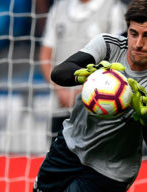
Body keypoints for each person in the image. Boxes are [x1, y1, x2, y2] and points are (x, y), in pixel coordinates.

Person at [30, 0, 147, 192]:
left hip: (109, 169)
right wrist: (87, 74)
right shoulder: (108, 44)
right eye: (133, 33)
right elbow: (59, 73)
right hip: (69, 147)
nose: (138, 43)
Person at [39, 0, 127, 142]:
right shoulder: (59, 8)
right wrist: (59, 89)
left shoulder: (113, 8)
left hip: (99, 105)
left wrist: (80, 93)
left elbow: (117, 58)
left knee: (93, 160)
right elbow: (45, 55)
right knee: (57, 158)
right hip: (61, 104)